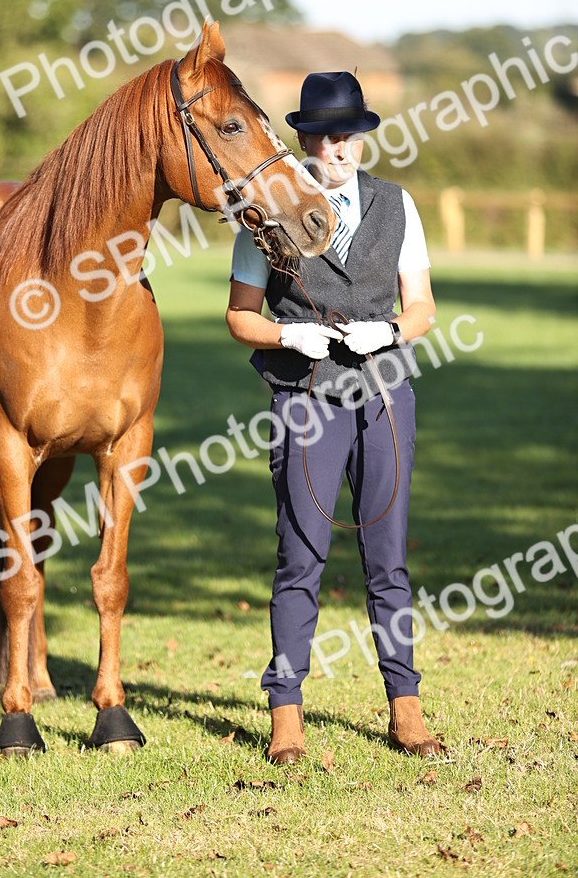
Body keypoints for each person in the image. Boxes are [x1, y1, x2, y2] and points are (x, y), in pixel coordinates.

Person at [226, 70, 445, 762]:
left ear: (361, 136)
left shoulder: (397, 204)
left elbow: (424, 308)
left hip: (384, 397)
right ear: (304, 139)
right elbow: (239, 317)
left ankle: (405, 709)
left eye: (346, 134)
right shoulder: (265, 213)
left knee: (389, 559)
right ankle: (286, 712)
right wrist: (290, 336)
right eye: (322, 135)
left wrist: (393, 332)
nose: (336, 146)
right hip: (307, 401)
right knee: (300, 559)